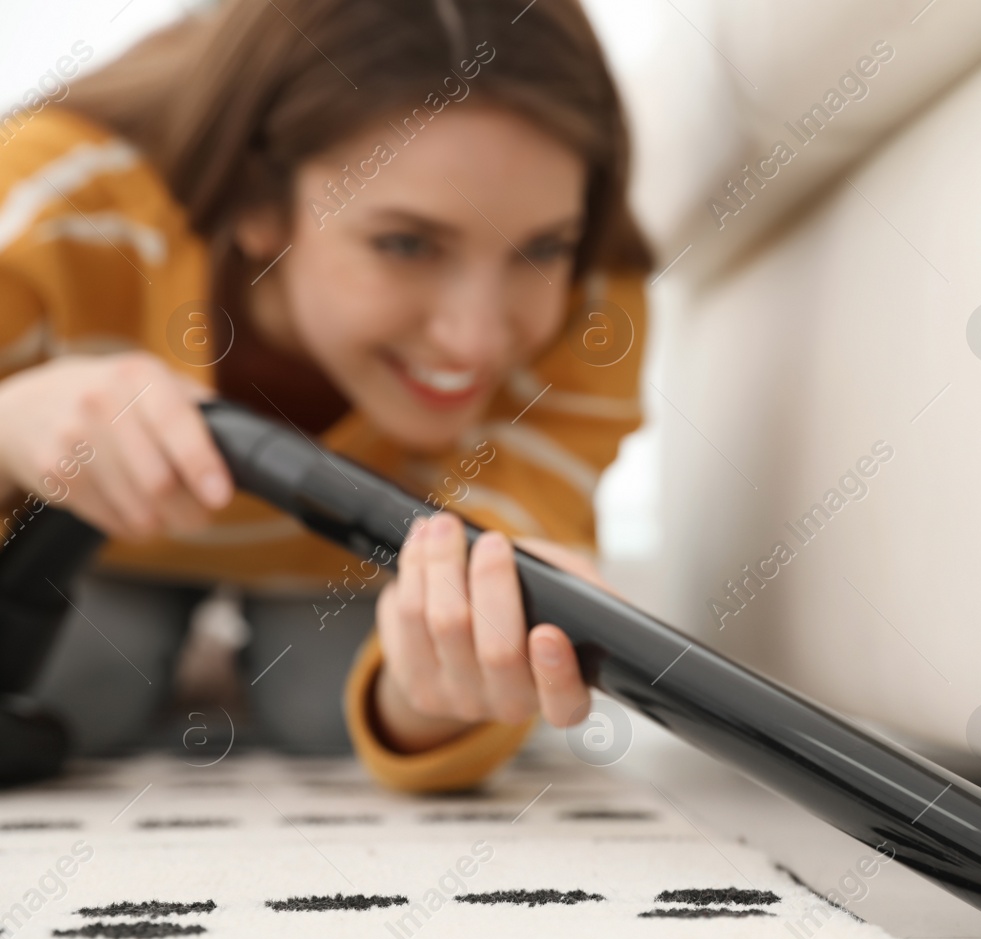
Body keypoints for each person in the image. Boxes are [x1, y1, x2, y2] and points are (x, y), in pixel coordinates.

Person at [0, 0, 651, 791]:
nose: (475, 339)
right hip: (84, 550)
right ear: (257, 199)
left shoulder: (594, 300)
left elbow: (501, 566)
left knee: (332, 706)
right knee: (85, 679)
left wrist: (438, 692)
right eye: (405, 243)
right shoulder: (40, 210)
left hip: (343, 576)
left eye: (542, 248)